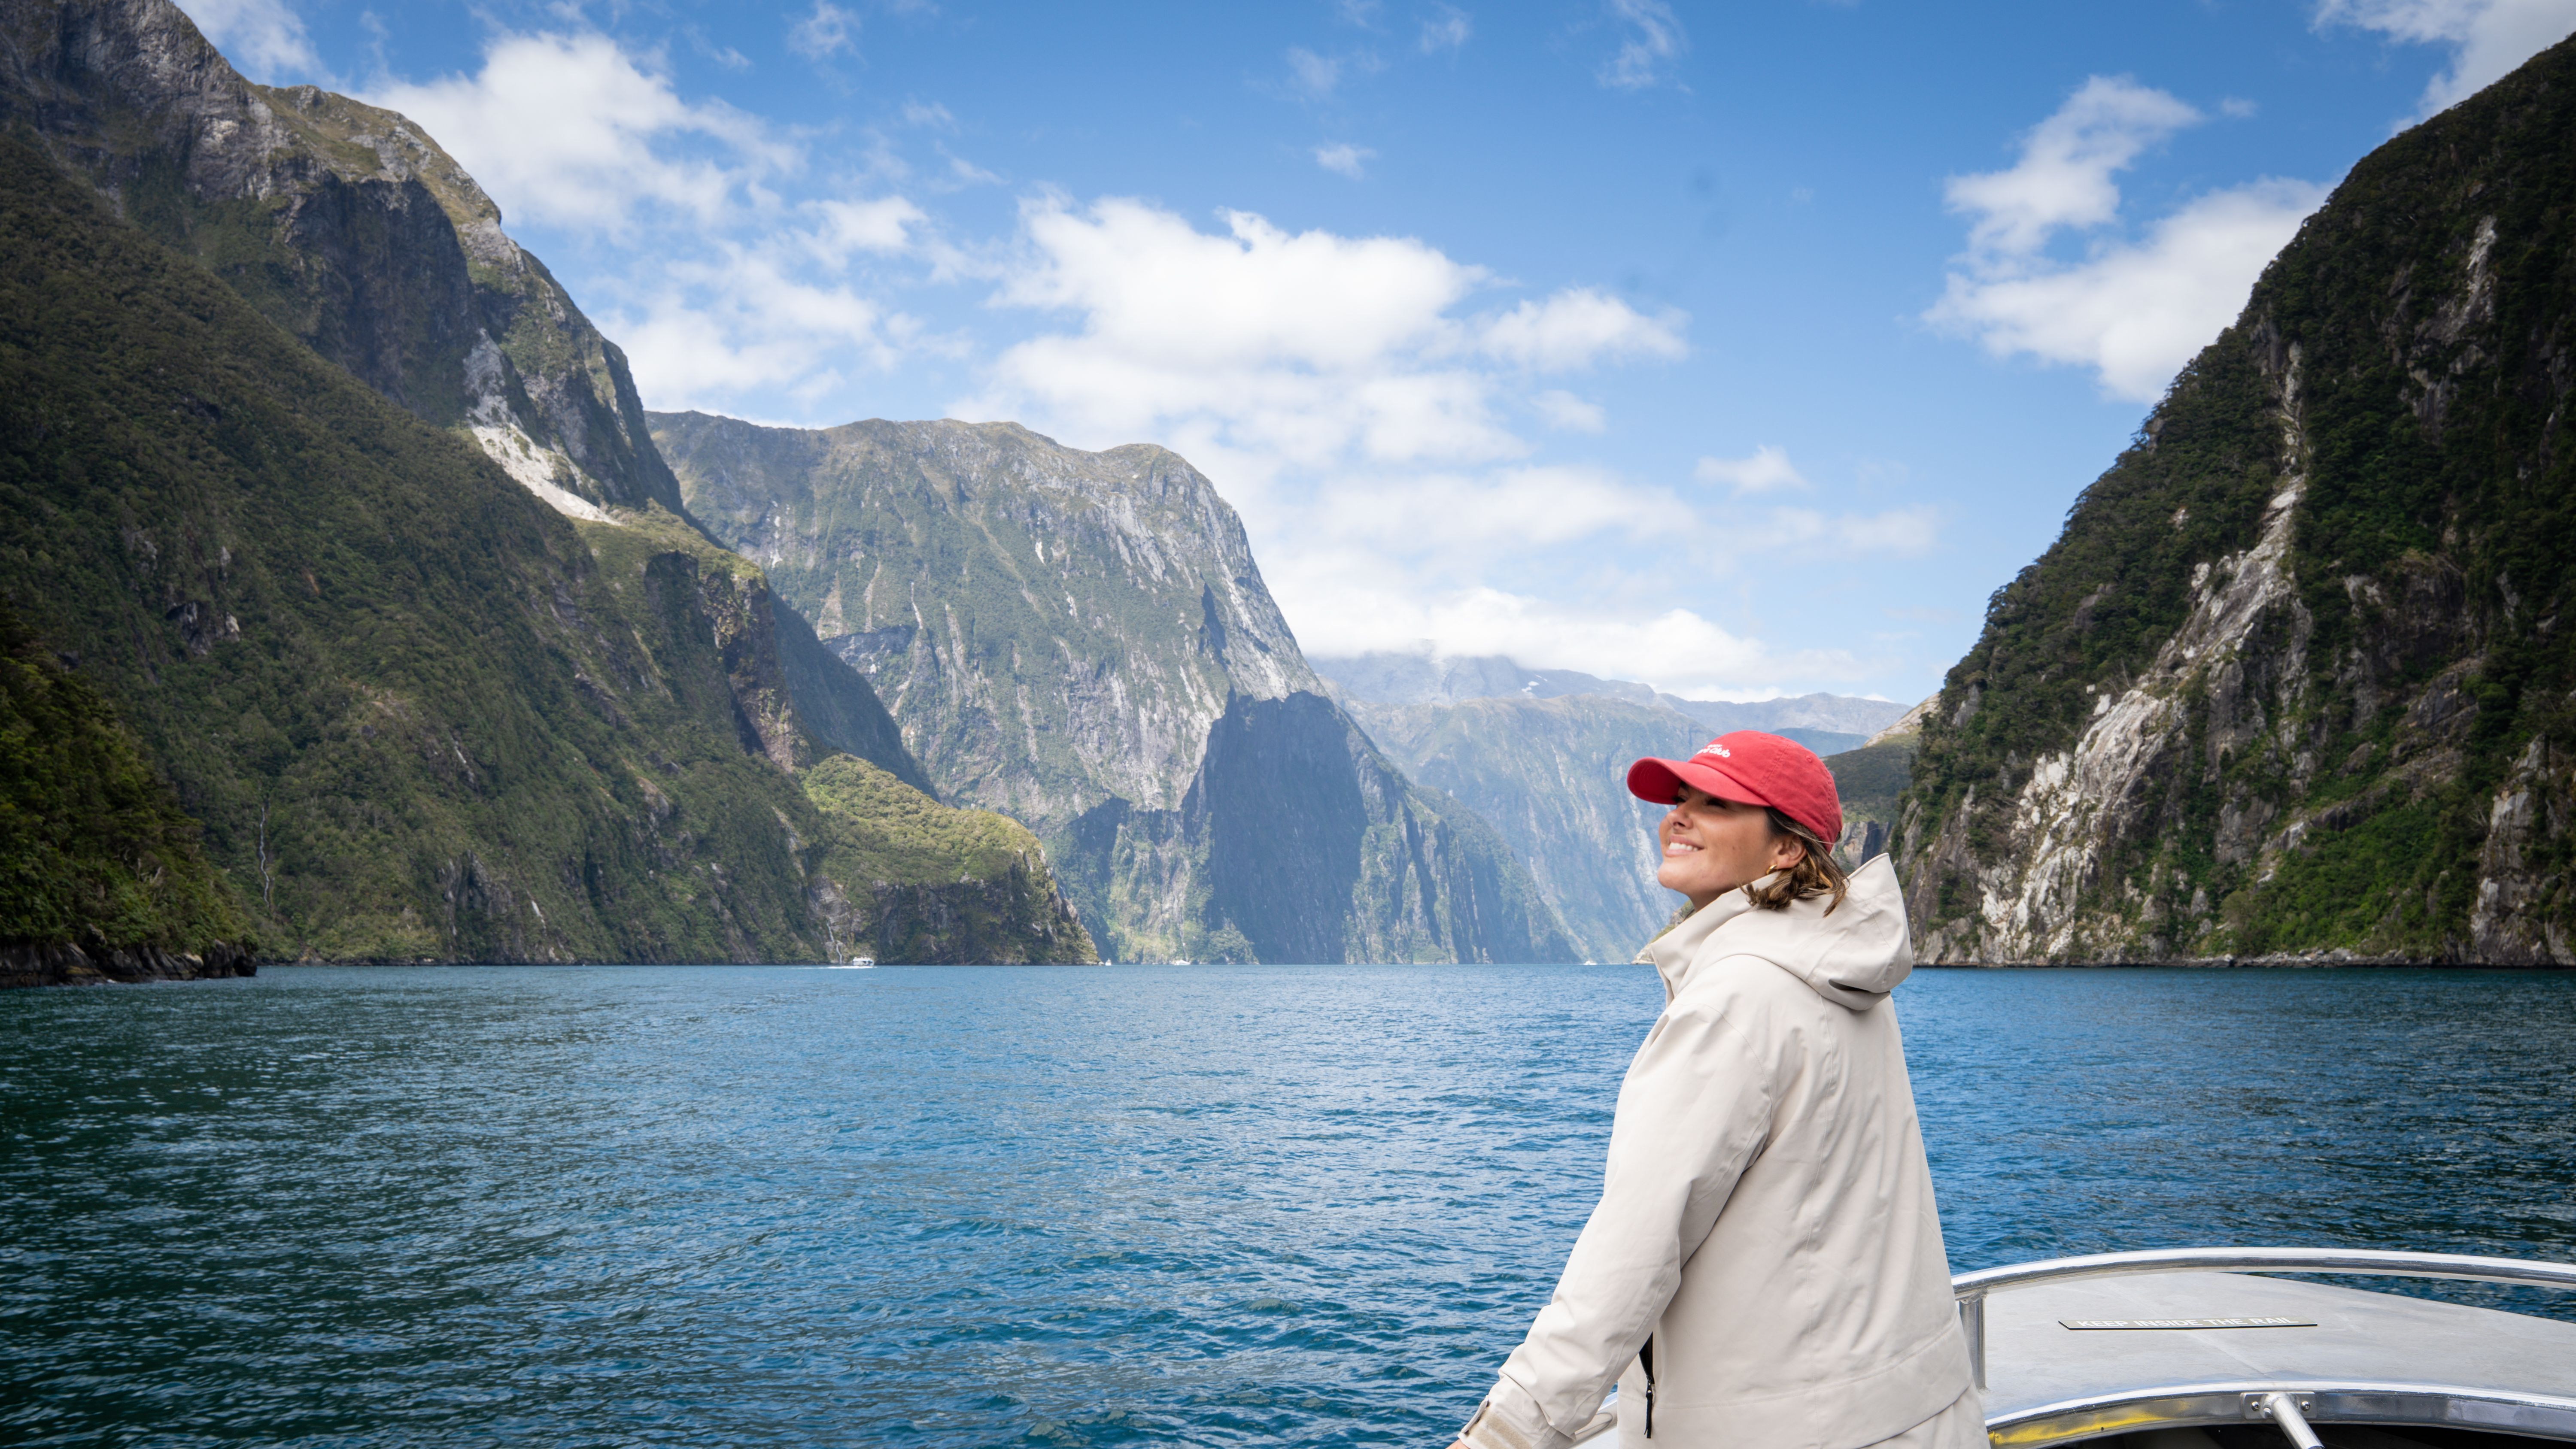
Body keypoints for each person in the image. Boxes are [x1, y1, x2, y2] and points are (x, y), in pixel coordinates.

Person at [1449, 731, 1980, 1449]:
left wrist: (1510, 1430)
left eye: (1716, 803)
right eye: (1678, 799)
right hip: (1905, 1409)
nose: (1678, 817)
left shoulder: (1735, 999)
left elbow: (1634, 1246)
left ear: (1787, 848)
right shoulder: (1841, 969)